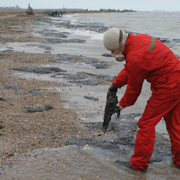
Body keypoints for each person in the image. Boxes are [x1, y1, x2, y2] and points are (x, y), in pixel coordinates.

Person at [103, 28, 180, 171]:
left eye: (112, 50)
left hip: (168, 87)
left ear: (120, 45)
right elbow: (130, 68)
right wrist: (116, 83)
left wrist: (120, 106)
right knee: (175, 123)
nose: (112, 53)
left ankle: (138, 164)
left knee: (146, 124)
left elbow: (134, 90)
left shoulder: (136, 56)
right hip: (177, 80)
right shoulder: (139, 40)